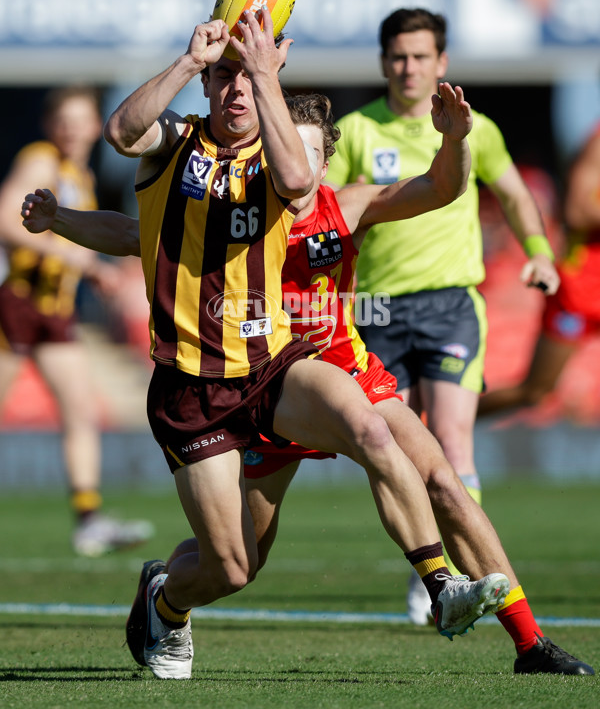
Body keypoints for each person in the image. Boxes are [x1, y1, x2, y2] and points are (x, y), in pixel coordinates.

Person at [22, 92, 594, 676]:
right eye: (280, 146)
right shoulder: (231, 209)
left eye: (306, 152)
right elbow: (137, 234)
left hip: (341, 373)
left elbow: (440, 189)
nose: (291, 160)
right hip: (259, 385)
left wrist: (453, 139)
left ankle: (525, 641)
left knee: (439, 477)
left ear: (323, 164)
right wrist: (60, 221)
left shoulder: (344, 206)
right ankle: (168, 593)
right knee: (237, 563)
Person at [325, 8, 561, 624]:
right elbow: (321, 210)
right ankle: (432, 572)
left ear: (442, 63)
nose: (409, 67)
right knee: (398, 452)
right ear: (384, 62)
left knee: (454, 440)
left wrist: (538, 254)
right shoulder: (353, 131)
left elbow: (513, 193)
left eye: (421, 56)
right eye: (399, 56)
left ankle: (466, 577)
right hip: (374, 308)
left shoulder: (470, 127)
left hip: (451, 302)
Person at [0, 85, 154, 557]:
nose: (71, 128)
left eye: (80, 119)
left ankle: (89, 518)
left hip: (52, 309)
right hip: (16, 301)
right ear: (51, 126)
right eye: (63, 120)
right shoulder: (41, 160)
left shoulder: (78, 175)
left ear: (94, 125)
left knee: (80, 409)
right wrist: (85, 266)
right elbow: (7, 222)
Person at [478, 121, 600, 417]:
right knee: (536, 391)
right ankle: (434, 422)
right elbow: (577, 209)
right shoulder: (597, 143)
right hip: (584, 287)